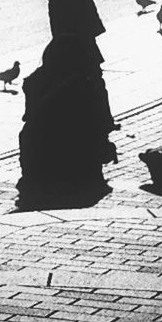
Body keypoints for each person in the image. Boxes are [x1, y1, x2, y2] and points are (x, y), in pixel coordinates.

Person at [17, 34, 117, 204]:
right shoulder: (85, 85)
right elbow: (100, 124)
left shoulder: (36, 82)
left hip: (39, 167)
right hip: (75, 167)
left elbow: (28, 119)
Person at [37, 0, 119, 130]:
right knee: (93, 77)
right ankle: (102, 120)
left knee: (70, 78)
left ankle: (83, 119)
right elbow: (83, 6)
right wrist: (93, 32)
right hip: (78, 36)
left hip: (66, 36)